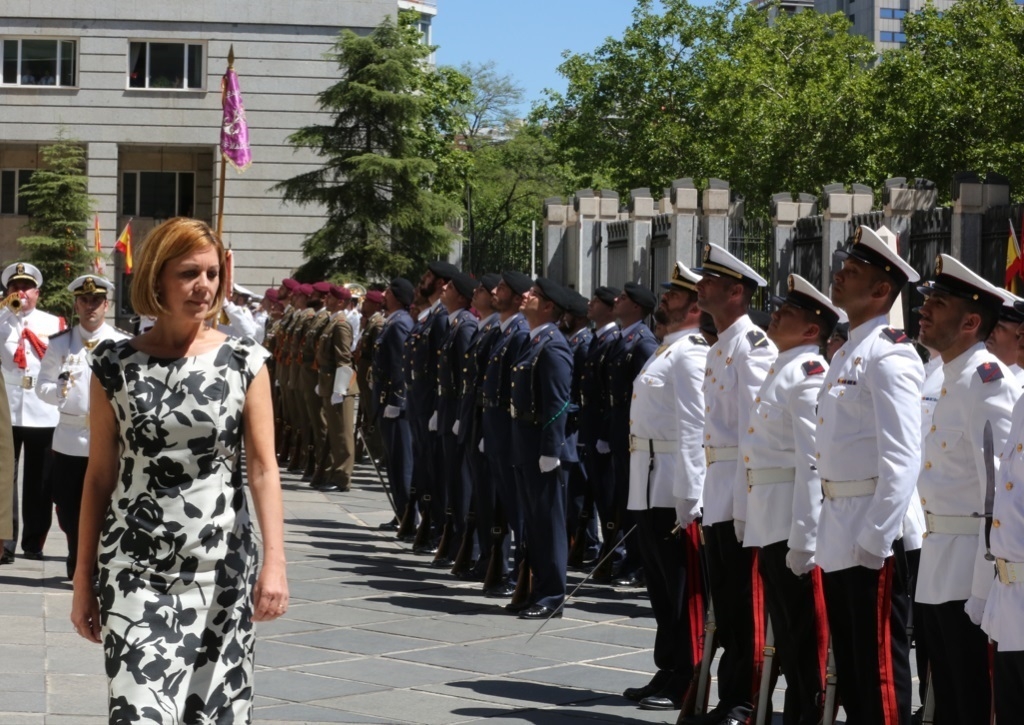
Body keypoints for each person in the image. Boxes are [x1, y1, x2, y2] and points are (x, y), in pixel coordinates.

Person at [70, 217, 288, 722]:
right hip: (134, 569)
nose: (204, 287)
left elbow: (262, 469)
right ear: (156, 279)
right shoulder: (113, 364)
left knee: (212, 714)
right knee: (138, 712)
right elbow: (100, 475)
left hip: (222, 570)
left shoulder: (245, 361)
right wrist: (83, 579)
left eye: (212, 274)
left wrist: (274, 563)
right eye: (189, 273)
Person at [815, 225, 924, 724]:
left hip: (870, 530)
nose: (838, 278)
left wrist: (876, 539)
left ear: (882, 291)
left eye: (852, 273)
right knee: (854, 667)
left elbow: (902, 458)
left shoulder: (891, 355)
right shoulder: (844, 354)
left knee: (879, 666)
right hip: (839, 524)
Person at [914, 255, 1017, 724]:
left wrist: (982, 586)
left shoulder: (985, 382)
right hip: (939, 557)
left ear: (971, 321)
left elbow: (997, 494)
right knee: (948, 695)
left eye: (938, 302)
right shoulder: (949, 376)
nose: (925, 309)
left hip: (968, 570)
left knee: (971, 695)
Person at [682, 243, 777, 725]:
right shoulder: (720, 346)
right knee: (729, 604)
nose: (700, 287)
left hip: (740, 495)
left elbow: (754, 436)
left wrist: (745, 506)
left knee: (746, 607)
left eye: (710, 282)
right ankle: (730, 695)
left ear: (736, 291)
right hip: (717, 491)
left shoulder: (752, 346)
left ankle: (745, 699)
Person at [740, 274, 839, 725]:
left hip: (790, 521)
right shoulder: (783, 367)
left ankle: (807, 712)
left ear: (811, 330)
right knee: (786, 629)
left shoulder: (807, 375)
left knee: (804, 635)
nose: (774, 315)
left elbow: (812, 464)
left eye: (786, 313)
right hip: (769, 516)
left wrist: (806, 539)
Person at [622, 262, 708, 711]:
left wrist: (690, 497)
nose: (665, 300)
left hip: (672, 483)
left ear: (695, 307)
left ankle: (688, 674)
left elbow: (695, 428)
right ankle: (669, 665)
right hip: (649, 479)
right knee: (659, 584)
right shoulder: (667, 350)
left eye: (675, 296)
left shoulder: (692, 353)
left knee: (680, 587)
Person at [36, 275, 128, 579]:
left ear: (107, 305)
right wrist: (58, 391)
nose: (90, 307)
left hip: (108, 441)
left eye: (97, 301)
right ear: (76, 304)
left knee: (107, 506)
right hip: (70, 440)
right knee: (68, 506)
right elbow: (42, 387)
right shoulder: (62, 344)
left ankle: (100, 566)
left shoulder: (122, 344)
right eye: (84, 301)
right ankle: (76, 560)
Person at [508, 277, 575, 619]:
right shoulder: (531, 342)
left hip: (542, 447)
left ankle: (552, 595)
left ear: (548, 307)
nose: (527, 296)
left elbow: (558, 403)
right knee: (533, 521)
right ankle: (534, 588)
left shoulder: (553, 346)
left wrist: (551, 448)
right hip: (526, 443)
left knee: (548, 522)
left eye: (535, 295)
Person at [0, 261, 66, 564]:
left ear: (37, 292)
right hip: (7, 409)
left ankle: (34, 541)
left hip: (42, 409)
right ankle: (5, 542)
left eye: (26, 287)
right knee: (4, 478)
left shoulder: (54, 324)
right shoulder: (1, 320)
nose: (20, 292)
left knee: (41, 480)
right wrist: (6, 313)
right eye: (15, 287)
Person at [594, 282, 659, 588]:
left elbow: (642, 396)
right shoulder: (624, 338)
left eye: (622, 298)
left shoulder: (642, 342)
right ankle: (628, 559)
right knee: (623, 499)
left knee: (634, 503)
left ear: (636, 306)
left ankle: (637, 563)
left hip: (632, 434)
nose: (615, 300)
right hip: (619, 429)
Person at [376, 279, 415, 531]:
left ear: (399, 297)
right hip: (385, 400)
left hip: (396, 405)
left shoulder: (400, 323)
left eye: (388, 291)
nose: (383, 294)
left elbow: (402, 365)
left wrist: (397, 401)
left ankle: (410, 516)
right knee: (393, 462)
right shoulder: (393, 320)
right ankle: (401, 512)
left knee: (403, 463)